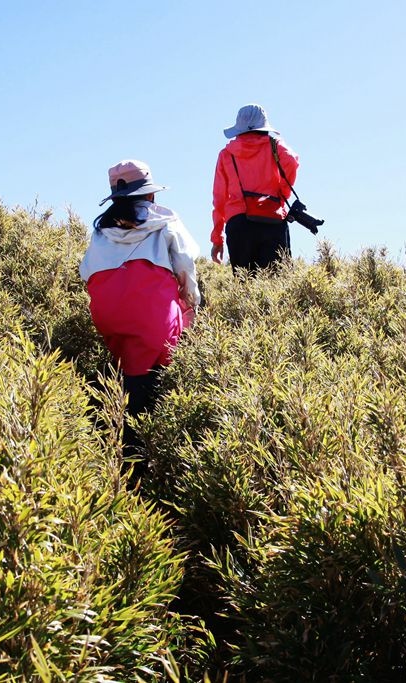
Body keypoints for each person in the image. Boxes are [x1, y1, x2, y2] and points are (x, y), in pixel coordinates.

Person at [80, 160, 200, 479]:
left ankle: (118, 447)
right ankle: (141, 462)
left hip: (108, 314)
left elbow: (86, 272)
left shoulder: (100, 230)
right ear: (148, 196)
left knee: (132, 370)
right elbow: (186, 265)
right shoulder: (166, 222)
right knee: (154, 370)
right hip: (152, 316)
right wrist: (192, 303)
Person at [211, 103, 300, 271]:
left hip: (239, 224)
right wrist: (282, 194)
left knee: (246, 287)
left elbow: (219, 198)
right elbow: (292, 161)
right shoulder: (275, 145)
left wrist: (217, 238)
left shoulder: (226, 154)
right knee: (277, 285)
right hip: (272, 219)